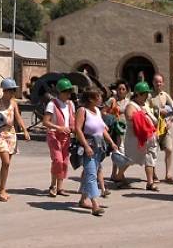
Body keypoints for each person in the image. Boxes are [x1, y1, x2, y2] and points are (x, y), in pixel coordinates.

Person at [75, 88, 118, 216]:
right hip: (88, 146)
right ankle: (95, 205)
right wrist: (86, 146)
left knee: (91, 172)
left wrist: (111, 142)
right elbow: (78, 129)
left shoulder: (97, 111)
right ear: (90, 99)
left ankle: (83, 200)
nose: (100, 99)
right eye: (98, 96)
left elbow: (102, 129)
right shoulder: (82, 111)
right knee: (92, 174)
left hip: (99, 147)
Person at [0, 78, 30, 202]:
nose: (12, 93)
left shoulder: (14, 103)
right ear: (4, 91)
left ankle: (2, 189)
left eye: (13, 90)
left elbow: (18, 118)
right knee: (5, 161)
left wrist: (25, 130)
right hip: (0, 133)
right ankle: (1, 190)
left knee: (7, 164)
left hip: (11, 134)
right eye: (10, 90)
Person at [114, 81, 159, 191]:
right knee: (130, 159)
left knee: (150, 159)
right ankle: (119, 177)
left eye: (147, 94)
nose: (146, 96)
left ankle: (150, 183)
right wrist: (142, 114)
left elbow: (154, 120)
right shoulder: (131, 105)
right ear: (137, 94)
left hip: (149, 137)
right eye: (144, 94)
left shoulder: (146, 105)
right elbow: (129, 117)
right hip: (135, 139)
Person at [43, 77, 75, 197]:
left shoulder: (71, 104)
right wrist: (59, 128)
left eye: (69, 91)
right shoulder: (52, 104)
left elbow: (73, 120)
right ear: (60, 92)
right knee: (58, 160)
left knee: (65, 162)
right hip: (54, 135)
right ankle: (53, 185)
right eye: (66, 91)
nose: (68, 94)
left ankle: (60, 187)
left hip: (66, 136)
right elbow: (45, 122)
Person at [149, 73, 173, 183]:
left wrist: (171, 120)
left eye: (160, 82)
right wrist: (160, 111)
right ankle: (153, 174)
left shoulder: (164, 95)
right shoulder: (149, 96)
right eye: (156, 81)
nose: (158, 84)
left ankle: (168, 174)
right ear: (153, 82)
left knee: (169, 149)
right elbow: (146, 109)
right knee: (153, 152)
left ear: (163, 83)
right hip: (153, 128)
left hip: (164, 127)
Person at [108, 79, 130, 182]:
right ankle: (117, 174)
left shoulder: (129, 102)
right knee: (118, 151)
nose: (121, 91)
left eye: (123, 89)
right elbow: (103, 111)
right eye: (119, 89)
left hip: (127, 130)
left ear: (127, 91)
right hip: (116, 130)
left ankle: (117, 173)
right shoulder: (112, 101)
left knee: (123, 151)